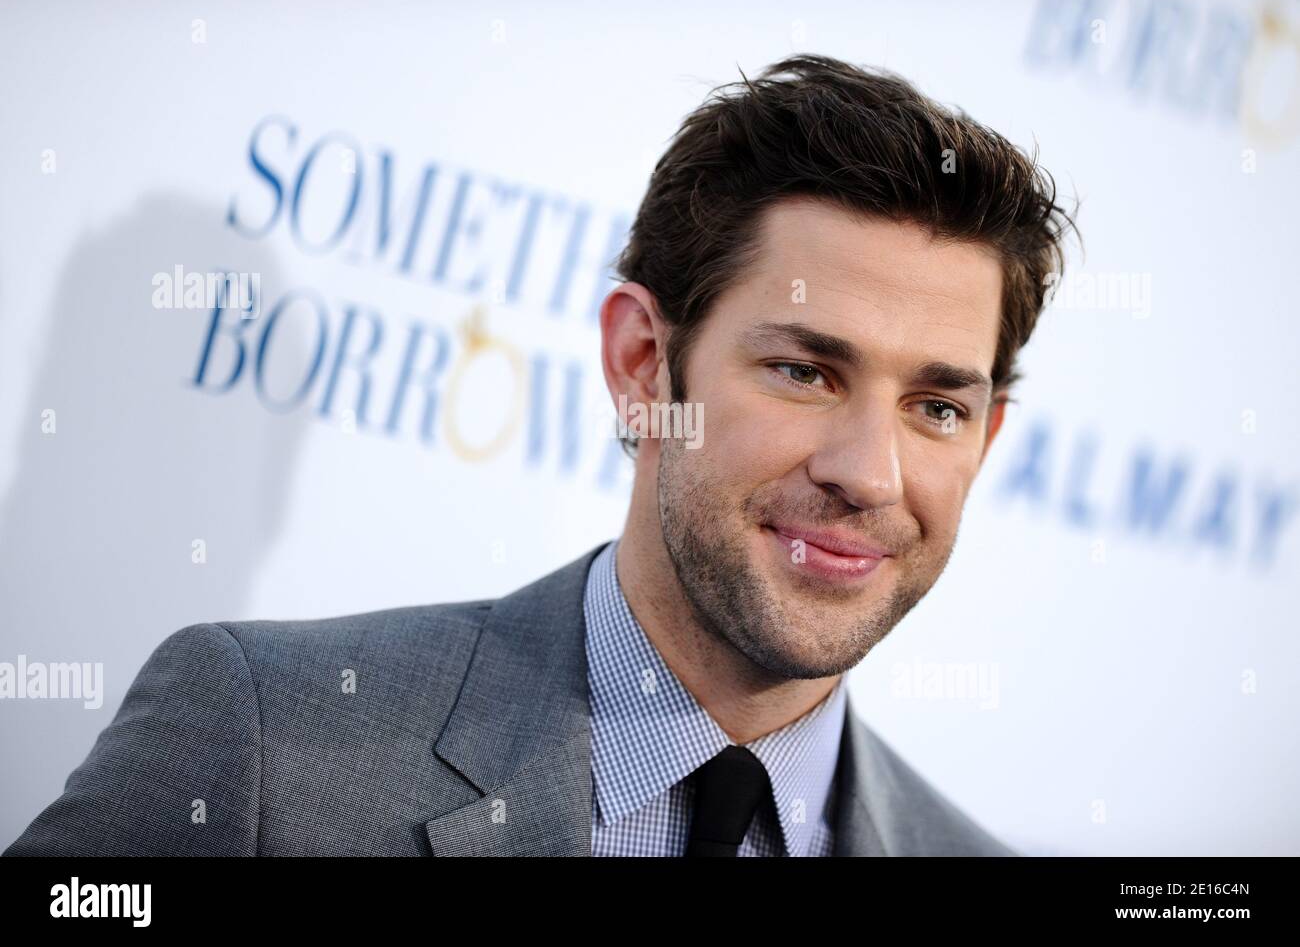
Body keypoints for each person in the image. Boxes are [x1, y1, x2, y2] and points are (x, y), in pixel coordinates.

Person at [5, 54, 1076, 857]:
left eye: (935, 406)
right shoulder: (263, 745)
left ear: (983, 442)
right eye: (805, 372)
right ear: (644, 364)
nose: (869, 473)